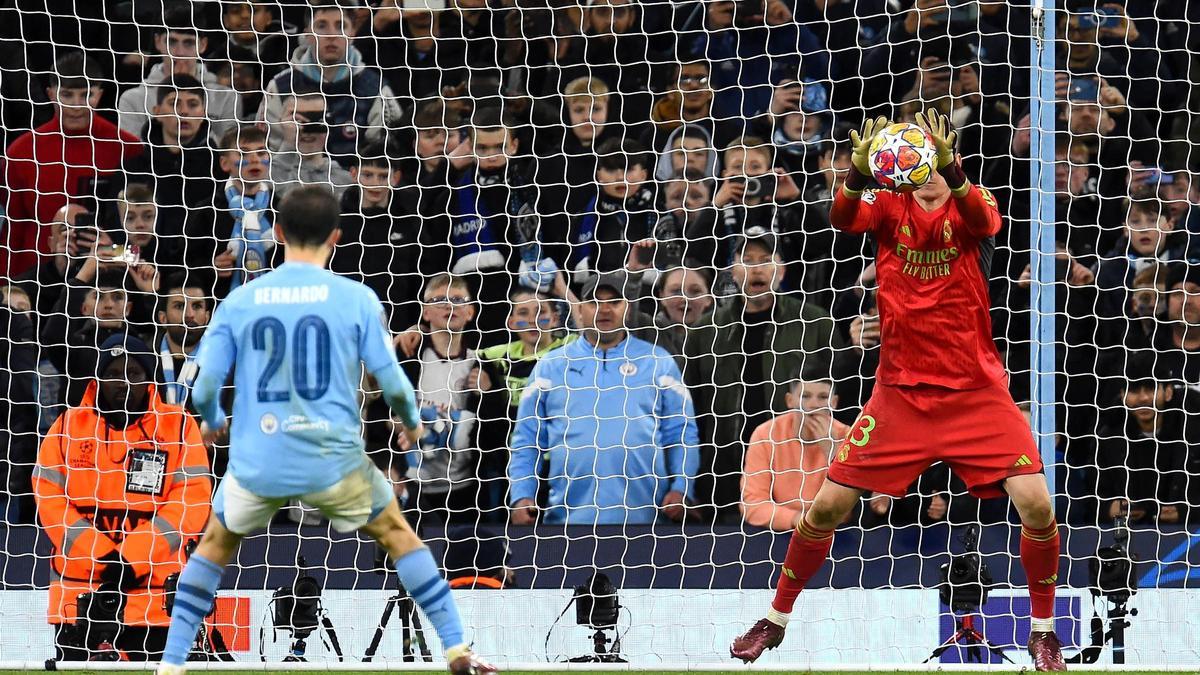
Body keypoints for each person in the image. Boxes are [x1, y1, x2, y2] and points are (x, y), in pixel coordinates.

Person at [729, 111, 1066, 671]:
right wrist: (858, 173)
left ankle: (1044, 630)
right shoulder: (888, 209)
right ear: (901, 169)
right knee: (825, 509)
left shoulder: (967, 202)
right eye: (917, 162)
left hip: (974, 392)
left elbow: (987, 221)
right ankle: (776, 618)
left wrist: (954, 168)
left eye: (933, 161)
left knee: (1036, 504)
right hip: (901, 396)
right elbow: (841, 217)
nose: (924, 170)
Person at [155, 186, 494, 675]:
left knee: (212, 548)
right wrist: (412, 423)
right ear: (336, 236)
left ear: (277, 233)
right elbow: (394, 380)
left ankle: (171, 664)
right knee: (401, 538)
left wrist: (212, 425)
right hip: (333, 460)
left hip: (259, 460)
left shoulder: (242, 300)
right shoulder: (355, 298)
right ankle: (457, 648)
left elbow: (206, 385)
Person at [34, 332, 211, 661]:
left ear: (148, 379)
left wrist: (132, 557)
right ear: (98, 378)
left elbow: (191, 502)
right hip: (80, 598)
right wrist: (102, 555)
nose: (123, 382)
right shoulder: (67, 426)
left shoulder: (179, 426)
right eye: (113, 373)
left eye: (133, 373)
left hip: (157, 600)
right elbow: (50, 500)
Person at [508, 272, 699, 525]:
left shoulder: (659, 361)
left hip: (649, 525)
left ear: (627, 308)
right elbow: (526, 440)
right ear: (580, 309)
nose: (604, 310)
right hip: (567, 526)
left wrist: (682, 487)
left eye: (614, 301)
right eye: (594, 302)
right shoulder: (550, 367)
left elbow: (682, 434)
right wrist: (521, 495)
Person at [683, 227, 842, 521]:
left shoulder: (816, 322)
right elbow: (690, 408)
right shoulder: (705, 331)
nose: (756, 268)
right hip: (723, 470)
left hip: (795, 472)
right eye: (747, 259)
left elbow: (841, 398)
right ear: (733, 270)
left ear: (780, 270)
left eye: (765, 259)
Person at [3, 53, 142, 279]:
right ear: (50, 94)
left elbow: (141, 246)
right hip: (34, 283)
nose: (76, 105)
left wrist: (113, 250)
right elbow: (11, 234)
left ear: (99, 95)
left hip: (109, 284)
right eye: (66, 95)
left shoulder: (128, 148)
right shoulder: (21, 153)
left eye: (86, 95)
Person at [117, 5, 241, 144]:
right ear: (158, 42)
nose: (179, 52)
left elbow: (228, 153)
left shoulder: (226, 98)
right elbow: (134, 152)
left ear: (203, 45)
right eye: (172, 42)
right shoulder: (133, 99)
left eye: (188, 43)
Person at [741, 375, 848, 532]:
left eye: (823, 397)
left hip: (837, 531)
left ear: (834, 402)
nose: (814, 405)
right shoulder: (766, 434)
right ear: (790, 400)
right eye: (805, 396)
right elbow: (752, 504)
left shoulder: (849, 437)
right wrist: (798, 519)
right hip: (780, 531)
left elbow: (852, 507)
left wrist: (832, 453)